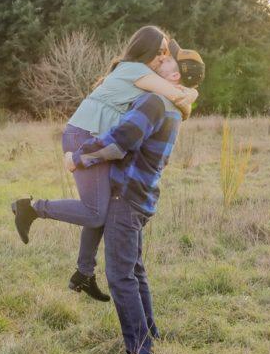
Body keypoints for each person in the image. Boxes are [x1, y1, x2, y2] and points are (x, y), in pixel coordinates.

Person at [11, 26, 197, 302]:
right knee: (96, 212)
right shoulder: (137, 71)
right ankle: (31, 208)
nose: (162, 59)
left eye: (166, 54)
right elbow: (177, 96)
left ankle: (84, 274)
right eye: (159, 53)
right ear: (144, 50)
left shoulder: (136, 72)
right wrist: (192, 93)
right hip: (83, 136)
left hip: (94, 138)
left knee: (104, 206)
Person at [65, 45, 205, 354]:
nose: (157, 61)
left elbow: (119, 142)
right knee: (135, 269)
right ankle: (150, 332)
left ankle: (140, 352)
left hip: (125, 196)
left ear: (175, 74)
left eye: (165, 59)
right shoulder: (173, 105)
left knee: (119, 275)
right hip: (143, 195)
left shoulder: (155, 101)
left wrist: (78, 157)